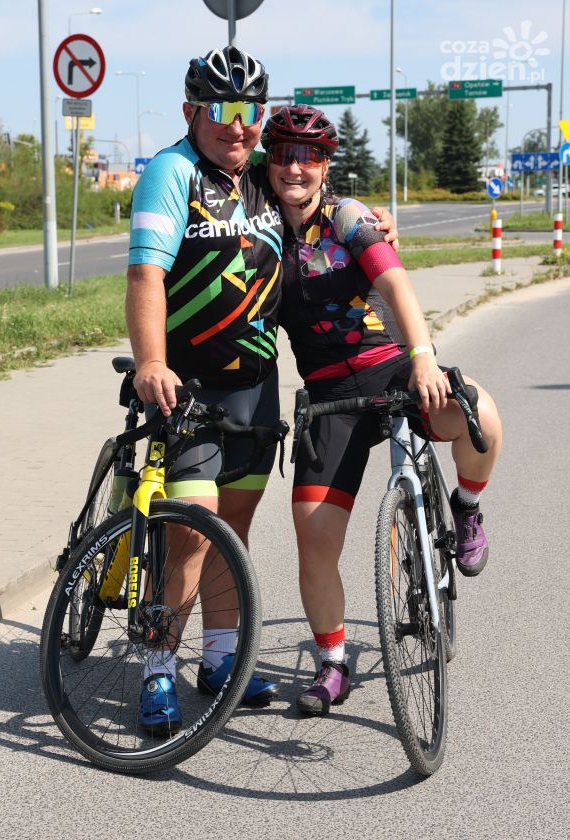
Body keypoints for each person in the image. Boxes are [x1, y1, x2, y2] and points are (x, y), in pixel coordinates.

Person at [125, 48, 398, 735]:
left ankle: (220, 661)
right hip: (188, 389)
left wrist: (375, 226)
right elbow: (145, 275)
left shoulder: (261, 183)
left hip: (255, 389)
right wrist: (151, 360)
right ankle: (158, 668)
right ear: (191, 112)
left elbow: (321, 208)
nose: (237, 124)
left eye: (250, 110)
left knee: (234, 533)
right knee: (191, 535)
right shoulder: (172, 172)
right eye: (221, 109)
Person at [260, 105, 503, 717]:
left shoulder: (347, 217)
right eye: (284, 154)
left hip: (392, 368)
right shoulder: (258, 225)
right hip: (329, 397)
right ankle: (333, 663)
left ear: (326, 165)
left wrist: (423, 359)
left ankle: (466, 508)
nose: (295, 167)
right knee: (313, 538)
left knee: (481, 415)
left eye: (309, 156)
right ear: (269, 161)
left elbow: (396, 285)